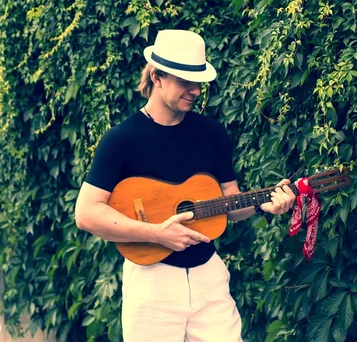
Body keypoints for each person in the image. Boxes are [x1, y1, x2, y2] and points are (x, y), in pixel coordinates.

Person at [74, 29, 296, 341]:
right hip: (152, 283)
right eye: (184, 81)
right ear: (157, 76)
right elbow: (86, 214)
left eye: (198, 82)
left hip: (209, 277)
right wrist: (157, 233)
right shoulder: (121, 140)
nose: (194, 90)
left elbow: (230, 203)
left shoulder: (212, 133)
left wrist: (262, 204)